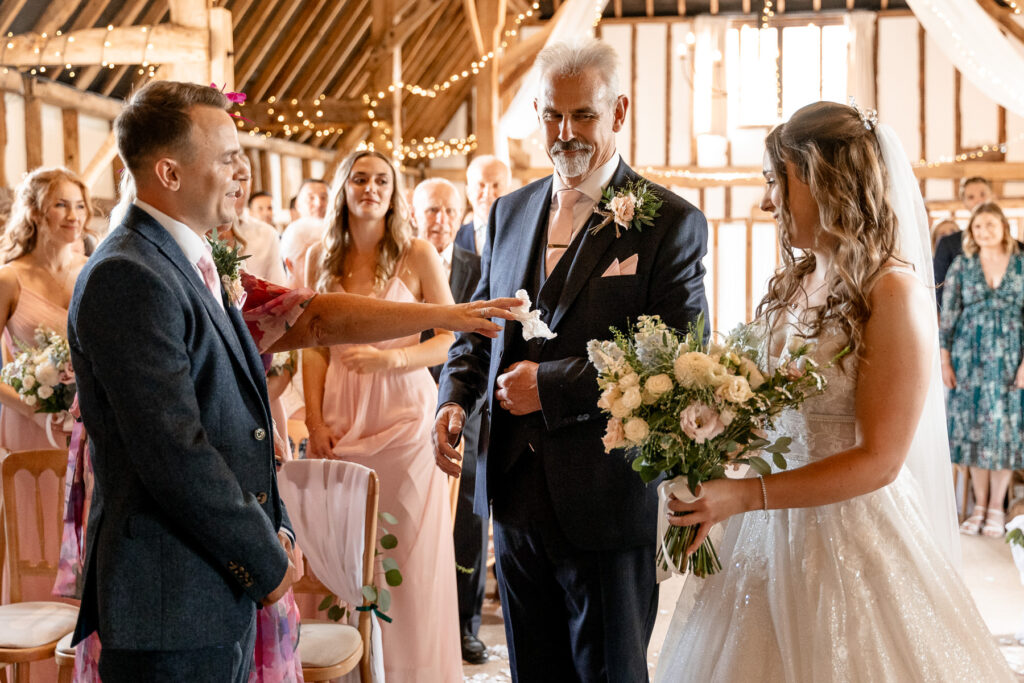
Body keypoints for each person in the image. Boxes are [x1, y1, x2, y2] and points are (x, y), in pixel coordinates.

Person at [656, 102, 1015, 682]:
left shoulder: (892, 292)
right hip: (765, 531)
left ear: (822, 179)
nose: (769, 201)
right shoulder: (797, 279)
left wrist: (745, 496)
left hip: (852, 538)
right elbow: (767, 411)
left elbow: (881, 460)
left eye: (778, 181)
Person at [434, 39, 709, 681]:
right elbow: (479, 326)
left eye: (583, 115)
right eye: (552, 115)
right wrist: (455, 396)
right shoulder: (508, 211)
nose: (565, 132)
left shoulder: (670, 222)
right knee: (534, 670)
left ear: (619, 111)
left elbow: (676, 352)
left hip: (607, 497)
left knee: (610, 671)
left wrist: (551, 387)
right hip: (515, 492)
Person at [303, 151, 463, 681]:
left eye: (382, 180)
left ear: (395, 192)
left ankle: (413, 672)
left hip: (405, 419)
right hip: (341, 421)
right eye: (359, 178)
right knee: (347, 557)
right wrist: (313, 424)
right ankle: (354, 670)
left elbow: (448, 336)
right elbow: (311, 348)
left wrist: (392, 357)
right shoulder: (316, 260)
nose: (370, 187)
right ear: (343, 189)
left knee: (407, 565)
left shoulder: (417, 254)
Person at [0, 166, 90, 682]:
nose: (72, 216)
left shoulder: (92, 271)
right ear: (35, 211)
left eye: (79, 205)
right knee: (31, 540)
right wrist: (32, 406)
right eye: (60, 205)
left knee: (74, 540)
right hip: (24, 424)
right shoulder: (10, 277)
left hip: (81, 428)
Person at [411, 177, 490, 664]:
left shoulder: (478, 267)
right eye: (430, 211)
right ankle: (418, 618)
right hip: (404, 402)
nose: (439, 220)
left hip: (466, 405)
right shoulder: (400, 264)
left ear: (460, 215)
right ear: (415, 213)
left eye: (448, 211)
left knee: (467, 516)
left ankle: (465, 623)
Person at [941, 202, 1024, 538]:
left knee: (1004, 431)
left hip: (1010, 358)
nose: (984, 231)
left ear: (1004, 227)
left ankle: (995, 509)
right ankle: (977, 507)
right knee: (974, 430)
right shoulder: (962, 265)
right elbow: (948, 315)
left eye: (990, 225)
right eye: (977, 227)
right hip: (968, 357)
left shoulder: (1021, 264)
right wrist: (945, 360)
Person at [933, 176, 994, 308]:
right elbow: (939, 289)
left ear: (992, 196)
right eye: (971, 197)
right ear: (964, 202)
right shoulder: (947, 244)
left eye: (983, 194)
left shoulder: (1017, 246)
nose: (978, 200)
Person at [455, 155, 511, 255]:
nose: (487, 194)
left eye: (496, 185)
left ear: (508, 191)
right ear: (468, 191)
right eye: (481, 185)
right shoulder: (454, 238)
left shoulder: (522, 235)